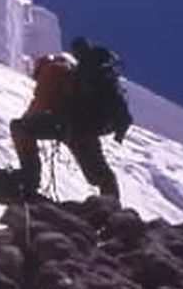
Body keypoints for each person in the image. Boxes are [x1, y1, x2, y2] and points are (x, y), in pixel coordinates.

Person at [9, 42, 125, 201]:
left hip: (66, 124)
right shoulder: (79, 75)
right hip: (85, 130)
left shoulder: (51, 69)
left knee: (20, 128)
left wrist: (28, 124)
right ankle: (113, 209)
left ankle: (28, 182)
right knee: (100, 174)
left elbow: (39, 104)